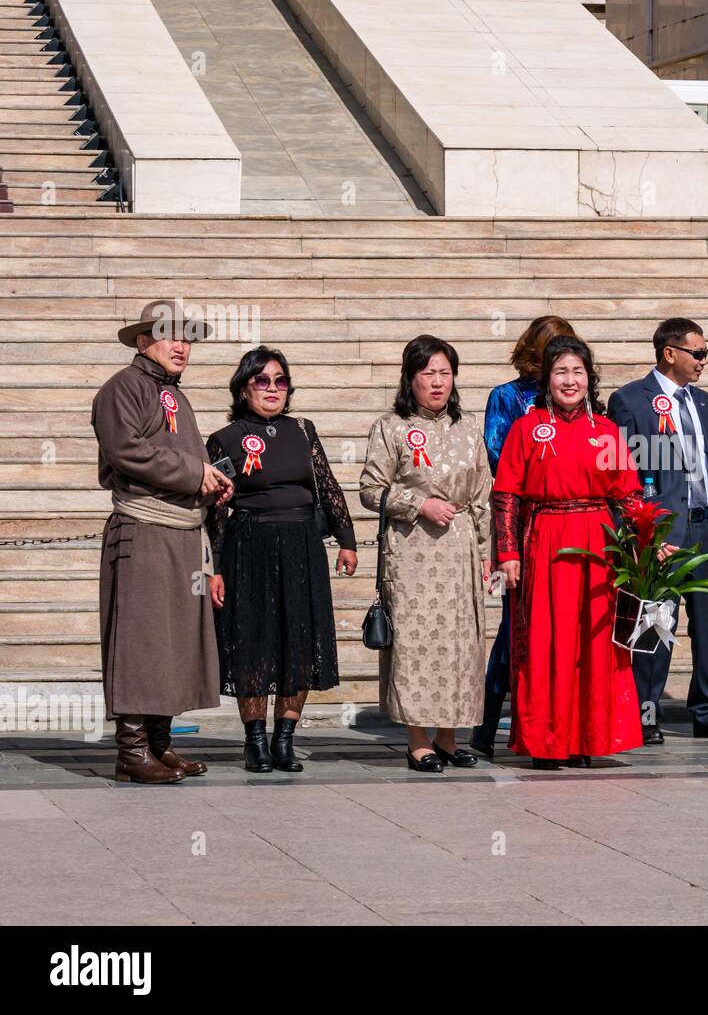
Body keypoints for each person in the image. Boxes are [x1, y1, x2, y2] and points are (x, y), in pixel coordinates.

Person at [92, 299, 233, 784]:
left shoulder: (176, 395)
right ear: (142, 340)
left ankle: (159, 743)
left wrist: (213, 482)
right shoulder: (122, 388)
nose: (181, 345)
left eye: (187, 337)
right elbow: (128, 452)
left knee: (173, 641)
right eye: (170, 334)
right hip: (145, 529)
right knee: (141, 640)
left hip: (182, 531)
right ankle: (131, 751)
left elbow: (184, 458)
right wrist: (197, 473)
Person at [491, 335, 643, 769]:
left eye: (577, 371)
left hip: (597, 546)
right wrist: (507, 552)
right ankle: (546, 740)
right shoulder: (527, 427)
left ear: (588, 378)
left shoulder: (606, 431)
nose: (570, 380)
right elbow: (506, 496)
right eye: (561, 372)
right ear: (546, 379)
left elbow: (630, 496)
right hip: (545, 542)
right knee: (545, 642)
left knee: (591, 643)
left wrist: (652, 539)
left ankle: (585, 738)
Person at [206, 347, 358, 773]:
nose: (272, 388)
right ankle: (255, 740)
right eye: (262, 380)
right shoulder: (224, 439)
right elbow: (216, 509)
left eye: (280, 380)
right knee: (253, 642)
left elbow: (327, 486)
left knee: (299, 639)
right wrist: (214, 567)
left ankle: (285, 739)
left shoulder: (304, 431)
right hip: (248, 545)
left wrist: (347, 539)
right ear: (243, 388)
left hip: (301, 545)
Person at [607, 318, 708, 744]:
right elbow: (620, 473)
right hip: (662, 532)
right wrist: (642, 534)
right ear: (671, 353)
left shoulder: (705, 403)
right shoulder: (629, 400)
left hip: (706, 527)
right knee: (655, 622)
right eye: (698, 353)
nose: (704, 361)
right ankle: (646, 713)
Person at [360, 336, 494, 773]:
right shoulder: (391, 426)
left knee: (459, 646)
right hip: (412, 550)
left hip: (459, 551)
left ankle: (450, 737)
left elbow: (482, 495)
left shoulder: (470, 426)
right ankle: (418, 740)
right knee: (417, 646)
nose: (437, 382)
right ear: (410, 378)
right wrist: (418, 504)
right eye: (427, 373)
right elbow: (370, 489)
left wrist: (486, 550)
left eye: (445, 373)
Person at [470, 315, 578, 759]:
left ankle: (566, 730)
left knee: (567, 629)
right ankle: (486, 723)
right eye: (553, 352)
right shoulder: (508, 397)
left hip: (573, 525)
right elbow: (499, 458)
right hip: (525, 521)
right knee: (517, 627)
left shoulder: (576, 394)